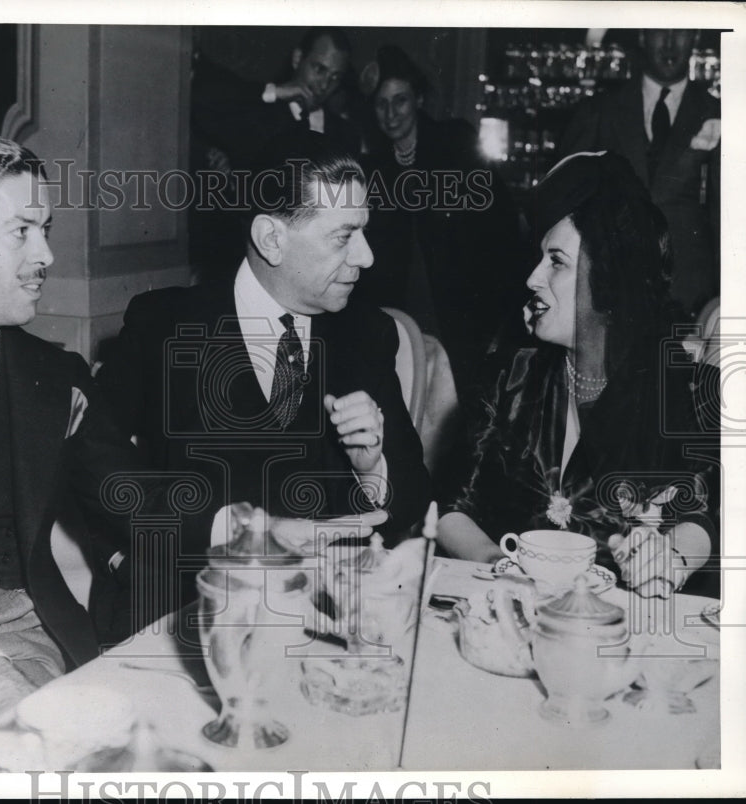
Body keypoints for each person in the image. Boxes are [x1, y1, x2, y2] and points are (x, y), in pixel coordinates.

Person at [0, 133, 384, 773]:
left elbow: (134, 492)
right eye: (23, 231)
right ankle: (29, 751)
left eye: (48, 230)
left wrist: (259, 527)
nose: (46, 255)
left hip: (24, 634)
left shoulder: (53, 375)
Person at [98, 130, 432, 609]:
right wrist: (122, 559)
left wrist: (371, 468)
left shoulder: (366, 333)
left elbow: (411, 499)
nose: (366, 256)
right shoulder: (163, 326)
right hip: (187, 609)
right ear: (271, 238)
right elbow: (91, 459)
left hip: (326, 611)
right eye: (343, 237)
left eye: (364, 231)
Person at [437, 151, 719, 600]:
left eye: (556, 261)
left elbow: (705, 512)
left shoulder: (684, 391)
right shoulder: (512, 375)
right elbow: (452, 505)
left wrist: (669, 559)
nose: (532, 278)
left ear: (607, 278)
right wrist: (500, 568)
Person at [352, 45, 528, 411]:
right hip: (408, 309)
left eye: (399, 100)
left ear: (417, 98)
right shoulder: (374, 166)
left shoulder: (455, 142)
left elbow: (501, 229)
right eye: (381, 104)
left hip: (465, 308)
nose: (390, 113)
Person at [559, 29, 720, 317]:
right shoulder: (599, 110)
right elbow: (565, 202)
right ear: (643, 37)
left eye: (680, 32)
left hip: (692, 295)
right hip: (609, 288)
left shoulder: (720, 113)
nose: (670, 43)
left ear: (695, 38)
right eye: (660, 31)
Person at [189, 29, 362, 280]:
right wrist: (272, 92)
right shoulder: (255, 117)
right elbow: (199, 100)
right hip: (253, 263)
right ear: (297, 59)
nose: (325, 85)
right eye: (319, 69)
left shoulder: (346, 135)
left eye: (335, 77)